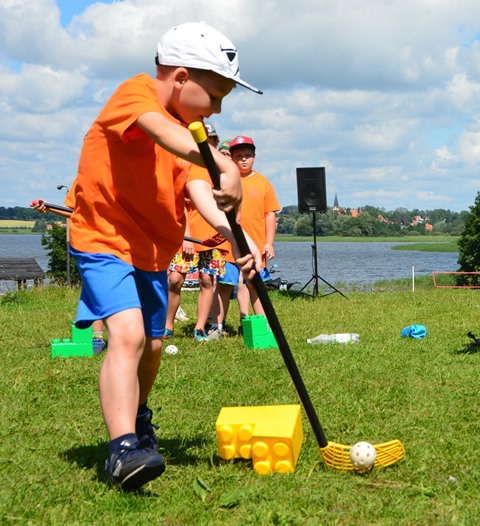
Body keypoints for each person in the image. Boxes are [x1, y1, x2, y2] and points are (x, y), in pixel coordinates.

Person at [67, 22, 262, 491]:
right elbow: (160, 133)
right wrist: (220, 161)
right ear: (180, 78)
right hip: (103, 238)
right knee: (128, 335)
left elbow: (198, 190)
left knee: (152, 347)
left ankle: (137, 415)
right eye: (214, 95)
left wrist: (235, 237)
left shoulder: (191, 134)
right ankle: (122, 450)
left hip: (153, 249)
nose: (217, 108)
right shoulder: (136, 95)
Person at [209, 135, 279, 339]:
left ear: (254, 157)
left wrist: (269, 243)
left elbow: (270, 213)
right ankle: (216, 325)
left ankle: (263, 326)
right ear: (231, 158)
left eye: (248, 155)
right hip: (228, 243)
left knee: (255, 285)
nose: (244, 159)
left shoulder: (263, 182)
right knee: (224, 284)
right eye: (239, 156)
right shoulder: (224, 180)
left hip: (255, 244)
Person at [31, 196, 107, 354]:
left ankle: (132, 334)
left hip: (125, 246)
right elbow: (77, 212)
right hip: (99, 247)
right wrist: (50, 207)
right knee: (95, 290)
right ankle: (97, 337)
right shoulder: (92, 190)